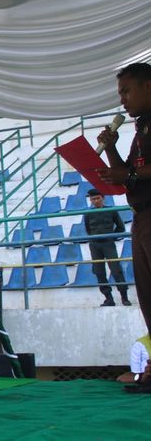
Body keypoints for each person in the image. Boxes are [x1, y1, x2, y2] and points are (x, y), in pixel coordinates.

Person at [98, 63, 151, 332]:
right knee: (147, 296)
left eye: (126, 91)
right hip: (140, 216)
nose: (122, 100)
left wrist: (129, 175)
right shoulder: (142, 128)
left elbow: (131, 174)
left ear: (148, 86)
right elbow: (128, 171)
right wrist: (110, 148)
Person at [83, 188, 129, 307]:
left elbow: (121, 227)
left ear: (103, 198)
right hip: (94, 245)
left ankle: (124, 297)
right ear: (90, 200)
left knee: (116, 270)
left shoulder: (111, 210)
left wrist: (111, 238)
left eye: (98, 198)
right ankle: (108, 298)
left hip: (108, 244)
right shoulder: (88, 213)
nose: (96, 201)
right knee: (99, 272)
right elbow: (88, 230)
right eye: (93, 199)